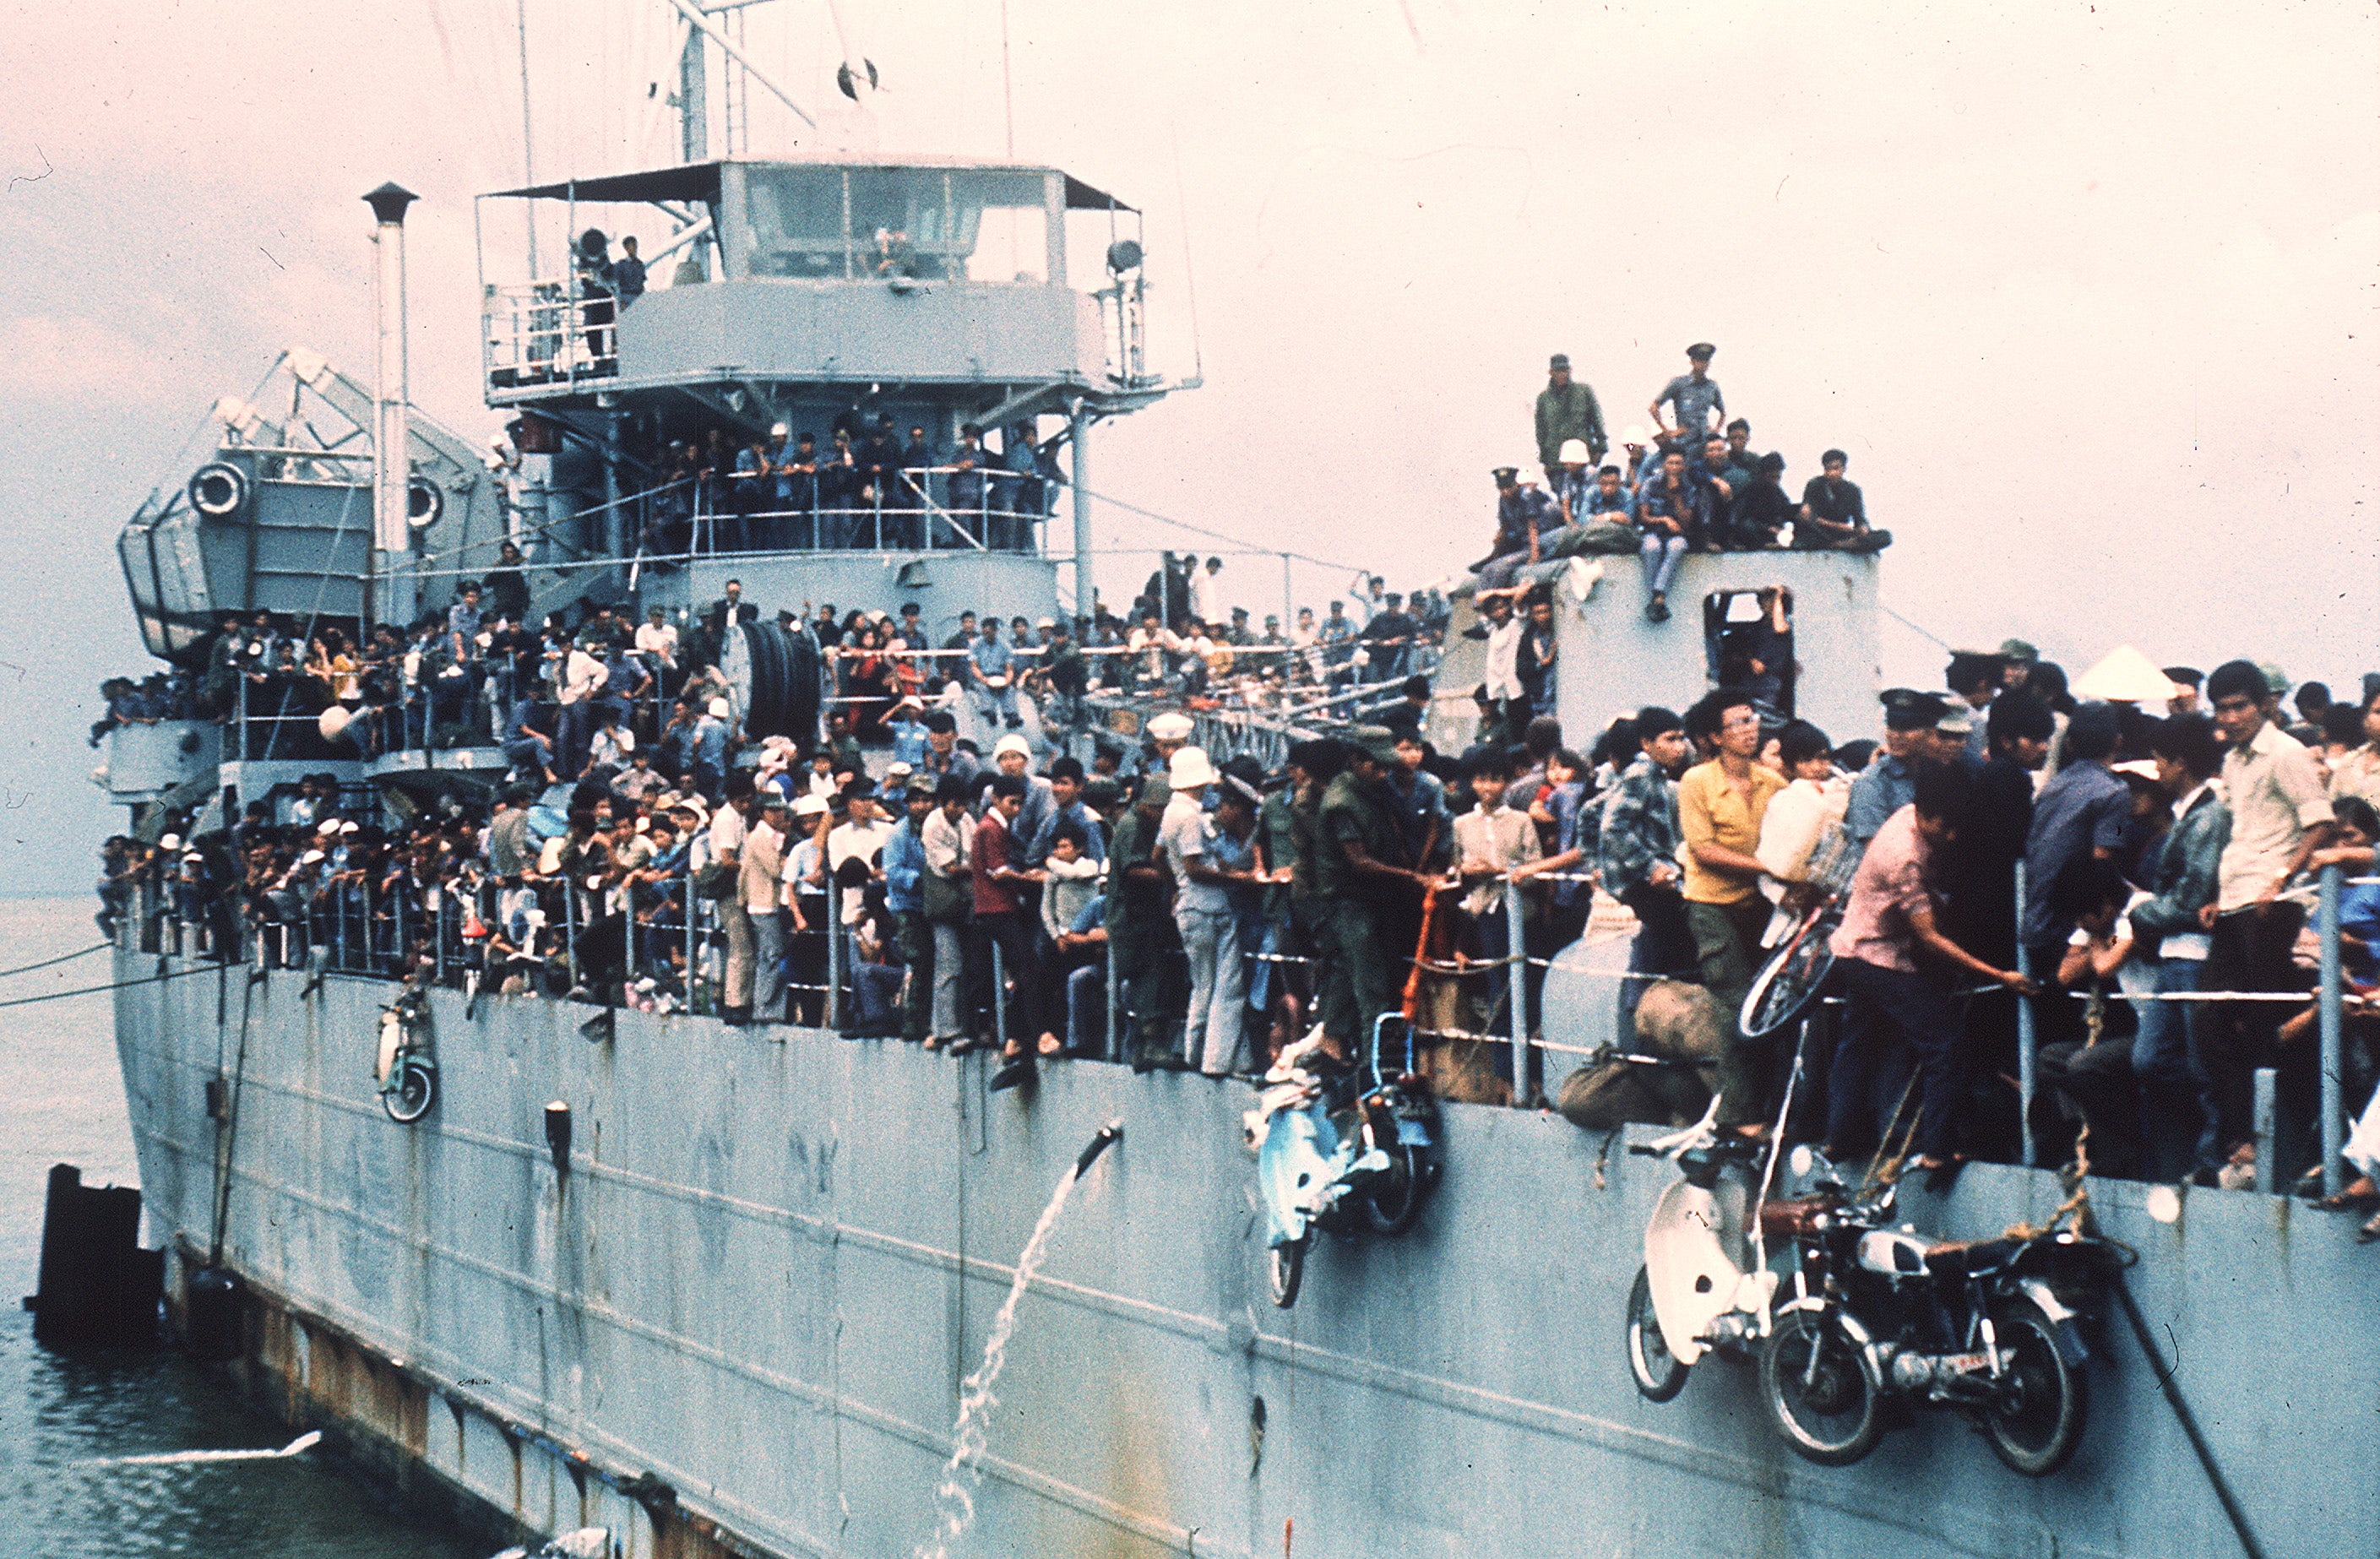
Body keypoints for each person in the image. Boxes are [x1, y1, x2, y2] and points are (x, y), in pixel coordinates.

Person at [1826, 760, 2035, 1168]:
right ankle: (1937, 1150)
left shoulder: (1908, 815)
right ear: (1925, 814)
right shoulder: (1904, 858)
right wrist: (2000, 976)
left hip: (1852, 947)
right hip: (1877, 956)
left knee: (1857, 1048)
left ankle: (1839, 1138)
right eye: (1946, 827)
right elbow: (1931, 940)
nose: (1952, 836)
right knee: (1946, 1046)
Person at [2202, 659, 2335, 1183]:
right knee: (2210, 1021)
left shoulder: (2286, 753)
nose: (2230, 717)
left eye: (2239, 706)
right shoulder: (2233, 761)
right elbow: (2241, 832)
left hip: (2271, 908)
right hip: (2234, 902)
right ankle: (2240, 1138)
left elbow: (2319, 824)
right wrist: (2218, 894)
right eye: (2222, 708)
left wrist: (2280, 879)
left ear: (2264, 706)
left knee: (2264, 1025)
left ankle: (2276, 1145)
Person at [2126, 713, 2231, 1182]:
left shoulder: (2208, 817)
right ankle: (2208, 1140)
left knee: (2204, 1064)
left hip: (2194, 953)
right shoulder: (2191, 813)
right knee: (2150, 1059)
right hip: (2175, 954)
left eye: (2160, 761)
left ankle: (2213, 1156)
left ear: (2180, 762)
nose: (2157, 771)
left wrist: (2140, 913)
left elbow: (2191, 898)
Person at [1679, 693, 1790, 1133]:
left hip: (1763, 907)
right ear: (1713, 737)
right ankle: (1739, 1115)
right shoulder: (1696, 782)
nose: (1750, 728)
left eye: (1752, 719)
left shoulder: (1773, 783)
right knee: (1733, 1004)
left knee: (1773, 1005)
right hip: (1712, 905)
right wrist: (1767, 867)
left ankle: (1778, 1104)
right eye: (1738, 723)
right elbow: (1703, 850)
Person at [1312, 728, 1432, 1068]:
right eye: (1377, 768)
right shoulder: (1341, 803)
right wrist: (1413, 877)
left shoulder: (1371, 792)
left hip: (1374, 901)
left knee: (1349, 976)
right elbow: (1359, 862)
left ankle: (1334, 1046)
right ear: (1356, 762)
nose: (1383, 775)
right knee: (1371, 986)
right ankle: (1373, 1068)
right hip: (1348, 904)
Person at [1452, 745, 1541, 1091]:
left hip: (1519, 913)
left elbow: (1535, 871)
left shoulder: (1522, 822)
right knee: (1497, 989)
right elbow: (1459, 872)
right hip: (1483, 915)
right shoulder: (1461, 824)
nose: (1488, 787)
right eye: (1480, 780)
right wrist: (1468, 872)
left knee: (1524, 987)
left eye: (1495, 780)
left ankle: (1528, 1072)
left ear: (1506, 783)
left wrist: (1499, 870)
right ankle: (1506, 1074)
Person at [1599, 708, 1694, 1034]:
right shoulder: (1643, 774)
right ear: (1647, 743)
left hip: (1650, 880)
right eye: (1670, 739)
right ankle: (1642, 1027)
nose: (1680, 747)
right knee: (1673, 952)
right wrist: (1648, 865)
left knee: (1660, 950)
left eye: (1682, 739)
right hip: (1645, 883)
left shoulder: (1654, 776)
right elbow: (1612, 828)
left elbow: (1590, 815)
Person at [1163, 747, 1254, 1076]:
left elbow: (1160, 855)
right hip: (1210, 907)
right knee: (1227, 986)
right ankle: (1216, 1061)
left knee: (1202, 985)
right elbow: (1195, 867)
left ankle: (1196, 1052)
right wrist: (1238, 876)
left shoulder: (1171, 813)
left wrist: (1175, 888)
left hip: (1190, 907)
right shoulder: (1189, 817)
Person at [1109, 775, 1186, 1072]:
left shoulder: (1140, 823)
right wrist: (1174, 876)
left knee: (1155, 972)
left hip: (1142, 915)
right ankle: (1152, 1044)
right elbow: (1133, 870)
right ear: (1149, 807)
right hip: (1131, 917)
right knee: (1148, 974)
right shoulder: (1132, 826)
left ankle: (1144, 1047)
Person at [1633, 450, 1703, 622]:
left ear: (1684, 467)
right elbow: (1643, 517)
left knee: (1677, 546)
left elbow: (1685, 524)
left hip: (1676, 535)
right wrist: (1664, 520)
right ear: (1664, 466)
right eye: (1670, 463)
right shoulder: (1651, 484)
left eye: (1678, 463)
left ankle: (1657, 594)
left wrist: (1677, 496)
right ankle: (1658, 598)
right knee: (1652, 548)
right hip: (1653, 531)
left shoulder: (1688, 488)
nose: (1674, 467)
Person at [709, 773, 755, 1024]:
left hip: (738, 888)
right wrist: (751, 868)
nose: (746, 806)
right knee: (741, 947)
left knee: (744, 947)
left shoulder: (739, 816)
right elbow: (727, 860)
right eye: (741, 802)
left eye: (749, 801)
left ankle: (741, 999)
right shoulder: (727, 819)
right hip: (729, 890)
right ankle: (735, 1003)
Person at [743, 794, 791, 1022]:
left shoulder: (770, 835)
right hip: (763, 904)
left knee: (770, 955)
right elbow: (776, 869)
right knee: (771, 956)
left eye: (780, 810)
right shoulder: (761, 837)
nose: (778, 814)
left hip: (768, 904)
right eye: (772, 811)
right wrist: (786, 861)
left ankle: (769, 1008)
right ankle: (765, 1009)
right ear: (763, 812)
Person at [1535, 353, 1607, 481]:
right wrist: (1545, 461)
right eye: (1558, 371)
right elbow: (1541, 432)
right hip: (1556, 463)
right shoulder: (1544, 400)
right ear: (1551, 373)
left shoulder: (1584, 392)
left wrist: (1601, 449)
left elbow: (1597, 422)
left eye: (1565, 370)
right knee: (1564, 498)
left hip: (1583, 459)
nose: (1562, 374)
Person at [1796, 450, 1874, 551]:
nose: (1832, 473)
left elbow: (1859, 517)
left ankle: (1843, 544)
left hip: (1843, 535)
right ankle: (1836, 545)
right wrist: (1836, 526)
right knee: (1804, 538)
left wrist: (1863, 528)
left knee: (1884, 536)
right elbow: (1808, 515)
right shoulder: (1815, 485)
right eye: (1828, 469)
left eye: (1836, 468)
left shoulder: (1853, 490)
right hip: (1820, 532)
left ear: (1844, 469)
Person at [1649, 342, 1725, 442]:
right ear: (1692, 361)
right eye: (1699, 360)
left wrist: (1716, 429)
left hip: (1705, 440)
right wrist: (1667, 431)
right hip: (1685, 441)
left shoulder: (1712, 386)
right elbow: (1654, 407)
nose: (1702, 365)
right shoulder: (1679, 383)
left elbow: (1722, 412)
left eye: (1706, 361)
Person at [611, 236, 646, 308]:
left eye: (635, 245)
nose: (634, 248)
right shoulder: (621, 265)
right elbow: (615, 284)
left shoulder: (640, 265)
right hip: (626, 298)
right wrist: (621, 301)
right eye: (632, 246)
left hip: (639, 298)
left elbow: (642, 283)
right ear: (626, 248)